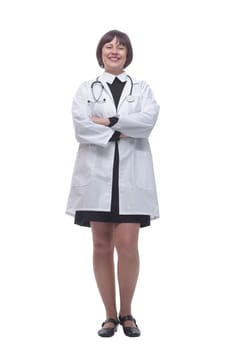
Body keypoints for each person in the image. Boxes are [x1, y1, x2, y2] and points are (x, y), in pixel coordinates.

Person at [66, 29, 160, 337]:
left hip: (131, 178)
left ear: (128, 54)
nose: (115, 50)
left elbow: (148, 121)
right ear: (101, 52)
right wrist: (123, 130)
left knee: (128, 245)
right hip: (97, 178)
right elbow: (81, 128)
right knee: (102, 246)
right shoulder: (87, 89)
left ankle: (127, 313)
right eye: (109, 46)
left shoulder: (142, 88)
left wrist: (109, 122)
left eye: (121, 46)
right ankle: (109, 315)